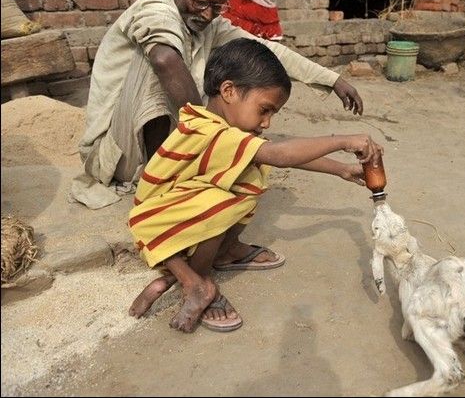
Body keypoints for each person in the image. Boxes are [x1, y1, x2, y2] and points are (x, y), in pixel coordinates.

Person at [72, 0, 363, 270]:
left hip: (180, 140)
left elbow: (270, 51)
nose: (207, 14)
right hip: (118, 155)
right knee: (160, 57)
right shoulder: (154, 9)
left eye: (218, 6)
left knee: (247, 124)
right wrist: (207, 133)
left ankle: (208, 211)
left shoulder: (209, 23)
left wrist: (332, 79)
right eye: (199, 1)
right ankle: (167, 188)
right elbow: (166, 59)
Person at [127, 37, 383, 333]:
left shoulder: (221, 127)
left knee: (249, 174)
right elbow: (279, 155)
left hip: (173, 217)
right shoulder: (208, 130)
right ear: (229, 91)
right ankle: (196, 280)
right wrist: (342, 141)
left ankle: (210, 259)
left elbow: (272, 151)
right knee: (223, 198)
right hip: (153, 221)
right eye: (265, 109)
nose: (267, 123)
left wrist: (340, 170)